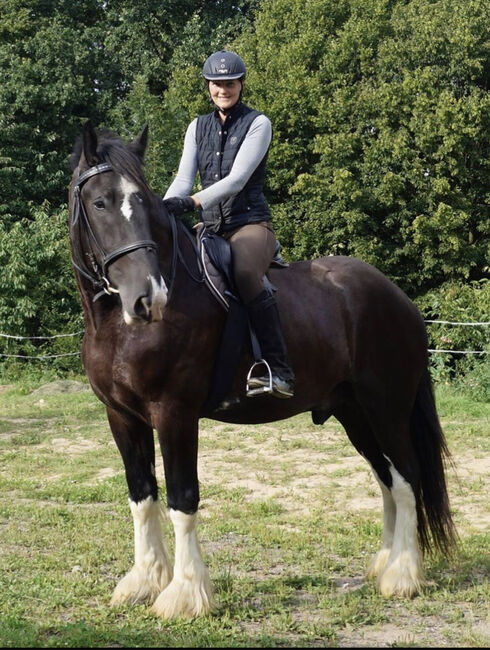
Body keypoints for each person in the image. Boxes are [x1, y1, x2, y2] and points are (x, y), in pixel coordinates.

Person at [162, 50, 295, 399]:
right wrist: (160, 209)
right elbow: (182, 178)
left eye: (230, 83)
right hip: (209, 228)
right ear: (208, 86)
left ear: (241, 84)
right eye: (217, 83)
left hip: (249, 225)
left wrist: (191, 202)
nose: (224, 89)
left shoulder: (258, 123)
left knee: (245, 273)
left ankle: (278, 369)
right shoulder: (197, 127)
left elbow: (237, 181)